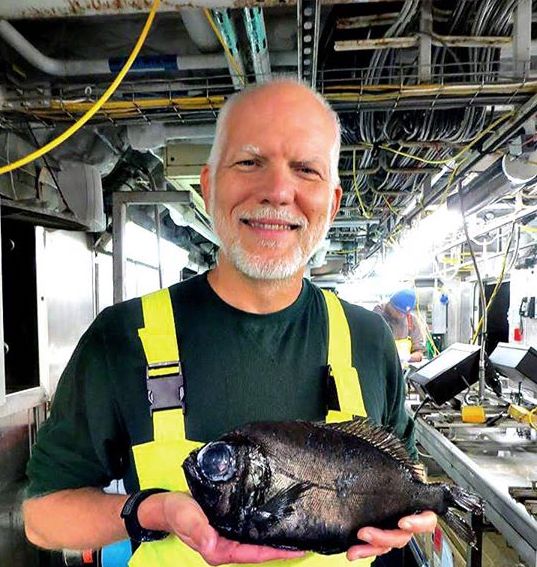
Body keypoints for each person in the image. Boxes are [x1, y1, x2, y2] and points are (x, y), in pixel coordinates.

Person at [23, 79, 436, 567]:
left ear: (333, 203)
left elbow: (412, 478)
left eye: (306, 169)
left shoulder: (368, 339)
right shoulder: (122, 337)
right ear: (208, 184)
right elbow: (42, 517)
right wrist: (150, 510)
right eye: (249, 162)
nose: (278, 191)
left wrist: (413, 518)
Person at [374, 290, 425, 363]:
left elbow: (419, 353)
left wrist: (407, 358)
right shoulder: (376, 317)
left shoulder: (411, 320)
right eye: (398, 311)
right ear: (390, 304)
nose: (401, 315)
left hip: (403, 371)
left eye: (405, 313)